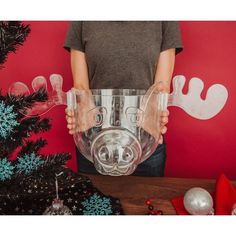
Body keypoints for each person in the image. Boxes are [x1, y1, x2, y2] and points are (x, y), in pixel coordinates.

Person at [64, 21, 183, 176]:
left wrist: (155, 115)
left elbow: (161, 87)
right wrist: (80, 110)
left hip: (145, 137)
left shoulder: (164, 19)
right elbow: (81, 86)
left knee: (144, 199)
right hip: (95, 139)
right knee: (93, 199)